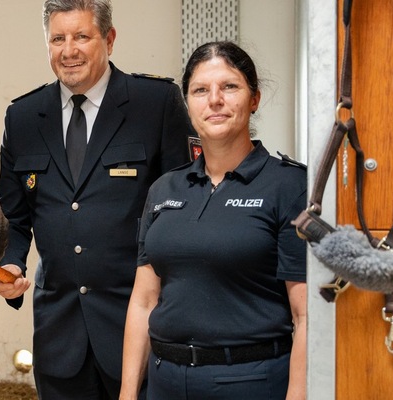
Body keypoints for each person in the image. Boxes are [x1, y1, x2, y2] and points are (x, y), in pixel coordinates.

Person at [0, 0, 196, 398]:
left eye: (82, 36)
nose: (69, 51)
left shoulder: (154, 103)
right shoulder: (23, 117)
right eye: (58, 39)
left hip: (142, 327)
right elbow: (13, 217)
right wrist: (11, 263)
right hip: (58, 332)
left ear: (109, 39)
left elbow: (184, 207)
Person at [119, 41, 307, 400]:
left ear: (254, 99)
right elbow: (144, 301)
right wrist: (128, 394)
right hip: (165, 382)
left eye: (230, 87)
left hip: (250, 382)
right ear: (188, 105)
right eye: (200, 90)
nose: (214, 100)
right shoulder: (163, 188)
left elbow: (306, 317)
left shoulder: (289, 185)